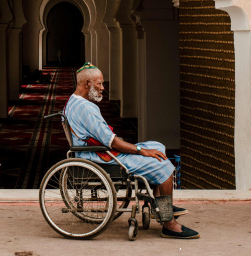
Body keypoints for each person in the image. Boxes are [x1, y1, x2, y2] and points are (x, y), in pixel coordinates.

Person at [64, 62, 200, 239]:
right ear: (87, 83)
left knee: (157, 147)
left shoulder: (74, 101)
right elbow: (113, 143)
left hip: (92, 150)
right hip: (101, 156)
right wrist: (141, 151)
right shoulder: (86, 108)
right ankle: (169, 223)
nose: (103, 88)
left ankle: (159, 205)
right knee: (165, 168)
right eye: (99, 84)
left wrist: (146, 149)